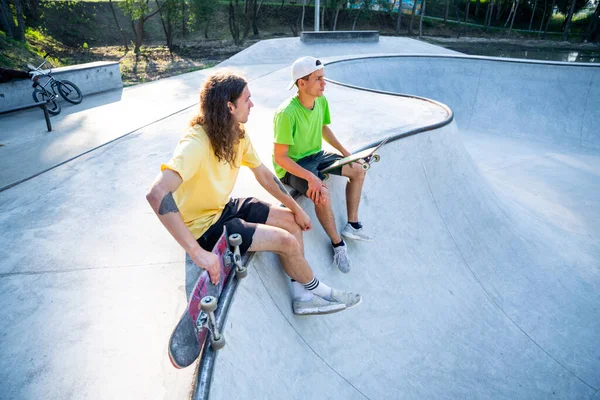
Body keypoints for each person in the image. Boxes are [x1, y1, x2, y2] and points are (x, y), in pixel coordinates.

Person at [146, 71, 361, 315]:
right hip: (203, 229)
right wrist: (197, 253)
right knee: (287, 241)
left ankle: (301, 296)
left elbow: (264, 175)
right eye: (247, 99)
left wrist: (296, 208)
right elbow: (157, 193)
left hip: (222, 208)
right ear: (229, 106)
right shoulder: (196, 142)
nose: (252, 104)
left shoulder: (236, 133)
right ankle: (322, 291)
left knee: (292, 222)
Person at [273, 56, 373, 274]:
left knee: (357, 170)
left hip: (316, 155)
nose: (323, 83)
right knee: (321, 192)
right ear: (302, 83)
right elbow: (280, 158)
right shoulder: (286, 114)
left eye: (323, 78)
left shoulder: (321, 101)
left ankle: (352, 224)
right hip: (293, 165)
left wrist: (348, 155)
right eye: (318, 79)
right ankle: (338, 244)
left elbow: (324, 128)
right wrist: (310, 177)